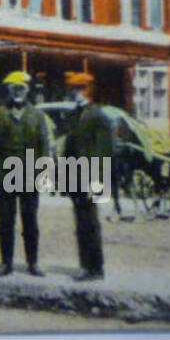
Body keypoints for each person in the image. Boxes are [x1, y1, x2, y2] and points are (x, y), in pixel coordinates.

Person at [0, 70, 53, 277]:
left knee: (30, 221)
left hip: (29, 175)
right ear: (9, 91)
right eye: (14, 89)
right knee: (5, 221)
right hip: (5, 175)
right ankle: (6, 263)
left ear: (27, 91)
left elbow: (44, 147)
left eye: (21, 88)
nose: (17, 92)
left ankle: (33, 263)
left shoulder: (37, 116)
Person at [61, 72, 115, 281]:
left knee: (91, 222)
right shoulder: (75, 115)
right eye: (73, 89)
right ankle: (85, 266)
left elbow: (105, 151)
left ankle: (96, 268)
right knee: (81, 222)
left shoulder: (98, 116)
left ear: (88, 90)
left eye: (79, 88)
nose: (75, 93)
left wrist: (99, 180)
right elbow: (68, 147)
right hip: (75, 175)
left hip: (92, 177)